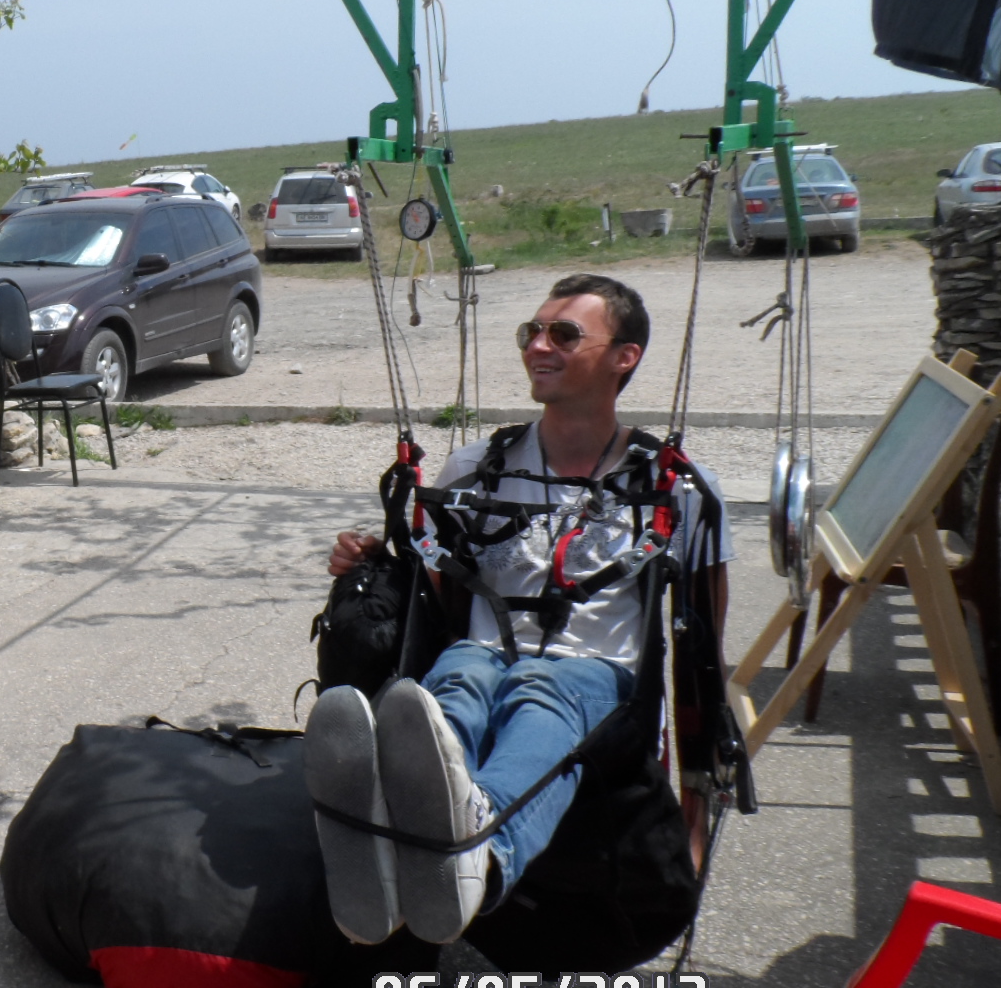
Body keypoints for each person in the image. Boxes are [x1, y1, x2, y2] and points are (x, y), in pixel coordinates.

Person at [306, 273, 730, 946]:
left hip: (598, 683)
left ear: (625, 356)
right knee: (458, 679)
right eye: (531, 332)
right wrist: (371, 562)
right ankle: (391, 837)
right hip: (480, 658)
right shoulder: (477, 468)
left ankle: (482, 856)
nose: (538, 346)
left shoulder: (676, 489)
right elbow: (430, 590)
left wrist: (695, 813)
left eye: (564, 334)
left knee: (538, 685)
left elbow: (703, 653)